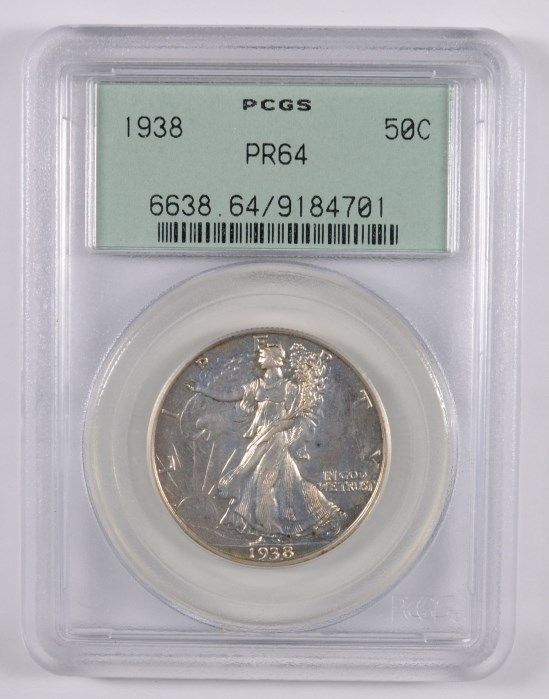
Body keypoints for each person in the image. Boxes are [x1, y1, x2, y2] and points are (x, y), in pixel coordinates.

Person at [188, 340, 341, 538]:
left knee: (262, 480)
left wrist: (276, 428)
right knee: (289, 482)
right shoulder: (256, 385)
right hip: (259, 437)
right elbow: (229, 395)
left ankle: (270, 527)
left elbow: (296, 418)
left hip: (277, 438)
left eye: (263, 354)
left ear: (275, 359)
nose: (259, 356)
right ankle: (313, 514)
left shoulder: (289, 388)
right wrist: (202, 389)